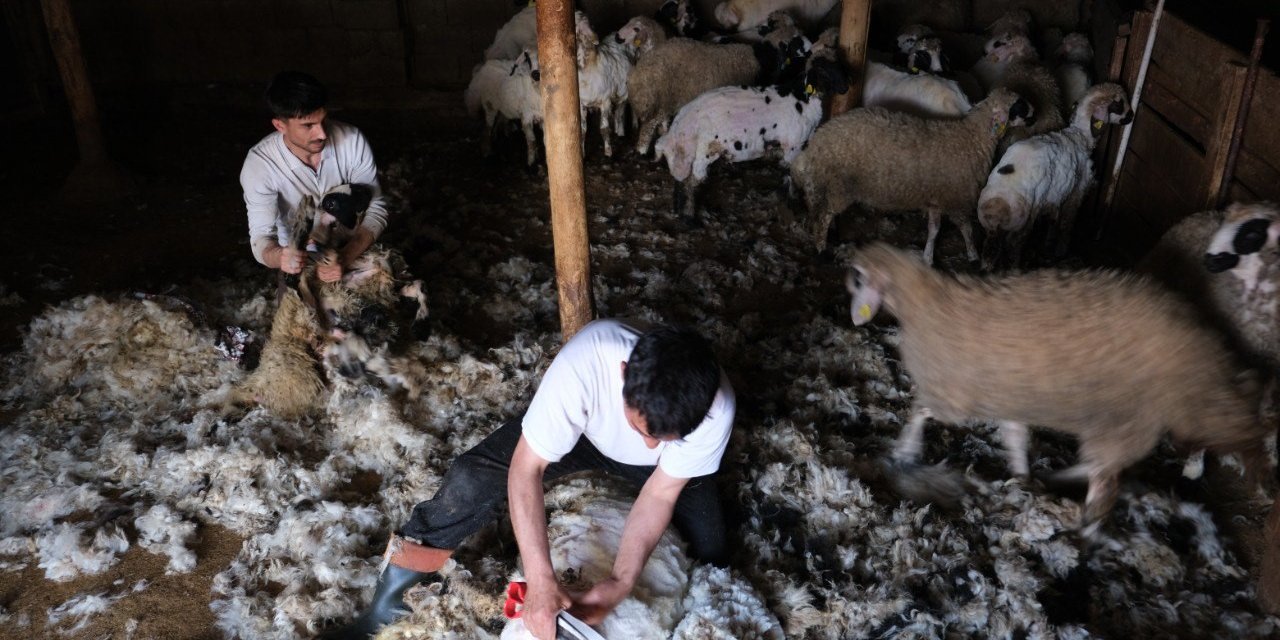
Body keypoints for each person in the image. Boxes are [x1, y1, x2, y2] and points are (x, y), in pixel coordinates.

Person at [321, 319, 735, 639]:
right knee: (471, 478)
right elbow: (527, 468)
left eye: (660, 437)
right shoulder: (588, 359)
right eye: (642, 430)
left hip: (666, 471)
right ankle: (388, 601)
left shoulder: (715, 410)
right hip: (583, 436)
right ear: (623, 373)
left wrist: (619, 582)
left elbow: (660, 490)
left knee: (713, 549)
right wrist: (540, 582)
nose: (647, 445)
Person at [240, 71, 389, 283]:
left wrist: (345, 257)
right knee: (303, 314)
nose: (322, 134)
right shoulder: (260, 165)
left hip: (353, 246)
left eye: (323, 120)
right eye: (308, 126)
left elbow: (376, 207)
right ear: (280, 126)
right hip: (299, 259)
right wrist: (282, 257)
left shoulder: (352, 140)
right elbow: (261, 238)